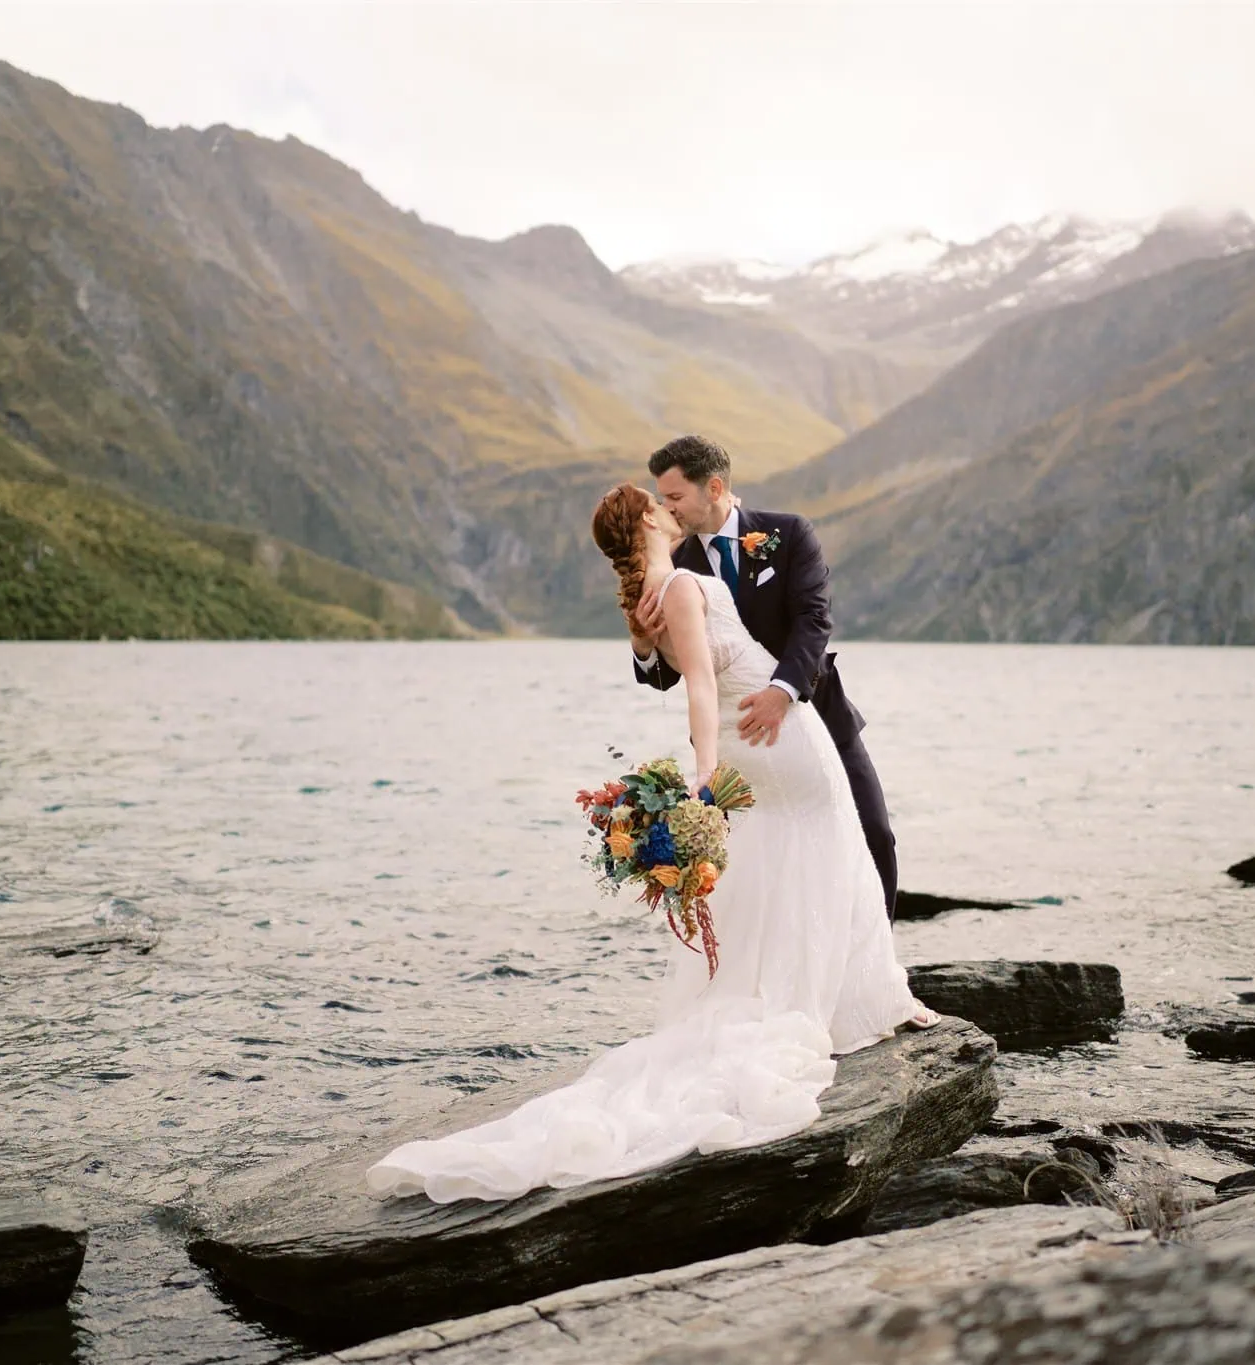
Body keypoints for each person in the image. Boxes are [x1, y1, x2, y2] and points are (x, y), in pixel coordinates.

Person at [364, 482, 935, 1204]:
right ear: (646, 521)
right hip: (771, 740)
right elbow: (697, 684)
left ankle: (818, 993)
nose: (668, 506)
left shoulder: (663, 595)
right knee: (830, 849)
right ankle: (850, 1000)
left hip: (768, 723)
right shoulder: (685, 584)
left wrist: (706, 738)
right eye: (655, 501)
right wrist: (702, 776)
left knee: (781, 863)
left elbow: (726, 652)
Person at [631, 436, 899, 920]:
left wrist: (782, 691)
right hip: (734, 740)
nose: (667, 508)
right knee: (758, 861)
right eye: (662, 498)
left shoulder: (789, 533)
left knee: (872, 832)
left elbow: (814, 620)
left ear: (713, 488)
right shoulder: (678, 568)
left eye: (674, 497)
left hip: (816, 713)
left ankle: (876, 961)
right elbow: (671, 675)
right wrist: (645, 649)